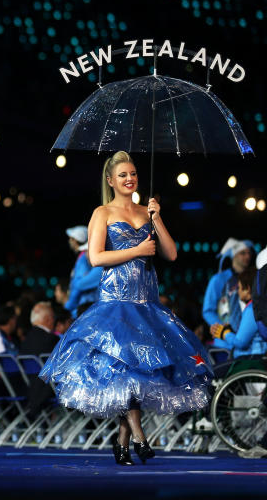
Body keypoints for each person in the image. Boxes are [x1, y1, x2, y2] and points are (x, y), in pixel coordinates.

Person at [39, 151, 212, 466]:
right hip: (116, 303)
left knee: (139, 374)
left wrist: (156, 218)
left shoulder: (146, 210)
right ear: (110, 180)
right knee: (126, 370)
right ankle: (138, 435)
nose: (130, 178)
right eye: (123, 175)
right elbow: (96, 258)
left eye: (133, 173)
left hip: (147, 302)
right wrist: (136, 250)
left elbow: (171, 254)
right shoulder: (102, 212)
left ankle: (121, 443)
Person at [203, 238, 254, 349]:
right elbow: (208, 310)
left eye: (249, 253)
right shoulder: (219, 279)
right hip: (224, 343)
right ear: (234, 255)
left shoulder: (253, 278)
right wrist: (222, 329)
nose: (247, 256)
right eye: (243, 253)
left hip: (246, 343)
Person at [210, 267, 267, 359]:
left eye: (239, 287)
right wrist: (230, 331)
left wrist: (223, 333)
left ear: (247, 289)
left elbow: (240, 343)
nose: (238, 291)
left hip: (250, 360)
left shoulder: (252, 309)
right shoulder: (255, 307)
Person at [20, 302, 61, 418]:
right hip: (48, 389)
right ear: (48, 319)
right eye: (54, 318)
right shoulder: (52, 340)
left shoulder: (25, 341)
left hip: (30, 388)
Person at [63, 225, 104, 317]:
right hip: (87, 309)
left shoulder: (88, 262)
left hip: (87, 310)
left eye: (71, 239)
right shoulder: (85, 259)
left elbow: (79, 285)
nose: (86, 253)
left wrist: (68, 306)